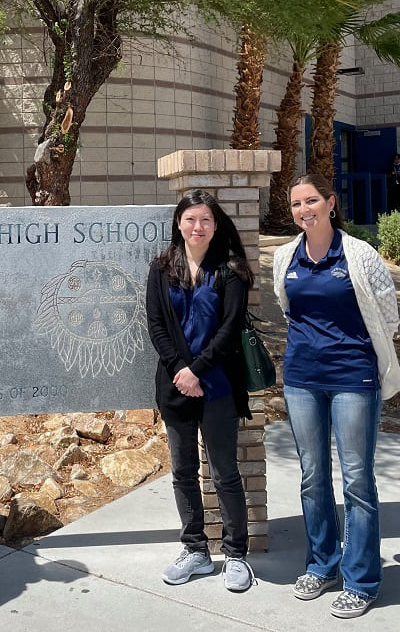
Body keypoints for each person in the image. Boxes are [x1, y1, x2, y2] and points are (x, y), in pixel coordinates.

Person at [272, 174, 400, 619]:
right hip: (302, 379)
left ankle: (362, 580)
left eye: (311, 201)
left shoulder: (359, 254)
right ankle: (322, 564)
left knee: (357, 482)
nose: (303, 210)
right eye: (295, 204)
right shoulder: (285, 256)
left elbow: (389, 315)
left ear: (330, 204)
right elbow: (288, 308)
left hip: (353, 380)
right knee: (312, 477)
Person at [146, 189, 255, 593]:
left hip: (219, 385)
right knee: (183, 472)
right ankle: (195, 550)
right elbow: (156, 325)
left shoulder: (230, 270)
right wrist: (180, 370)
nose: (198, 227)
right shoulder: (161, 269)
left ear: (216, 224)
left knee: (225, 472)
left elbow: (229, 330)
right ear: (178, 223)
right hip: (175, 386)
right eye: (190, 219)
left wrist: (198, 370)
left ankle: (236, 554)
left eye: (205, 220)